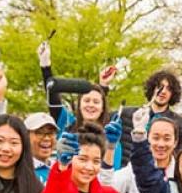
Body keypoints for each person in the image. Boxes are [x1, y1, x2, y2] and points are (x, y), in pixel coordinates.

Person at [37, 39, 124, 169]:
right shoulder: (67, 123)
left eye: (96, 102)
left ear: (102, 108)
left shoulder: (110, 137)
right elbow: (53, 95)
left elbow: (111, 174)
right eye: (86, 100)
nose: (91, 105)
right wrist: (45, 66)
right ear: (79, 105)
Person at [117, 69, 182, 147]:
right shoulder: (126, 114)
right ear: (152, 89)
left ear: (173, 94)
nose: (163, 91)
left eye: (169, 89)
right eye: (159, 87)